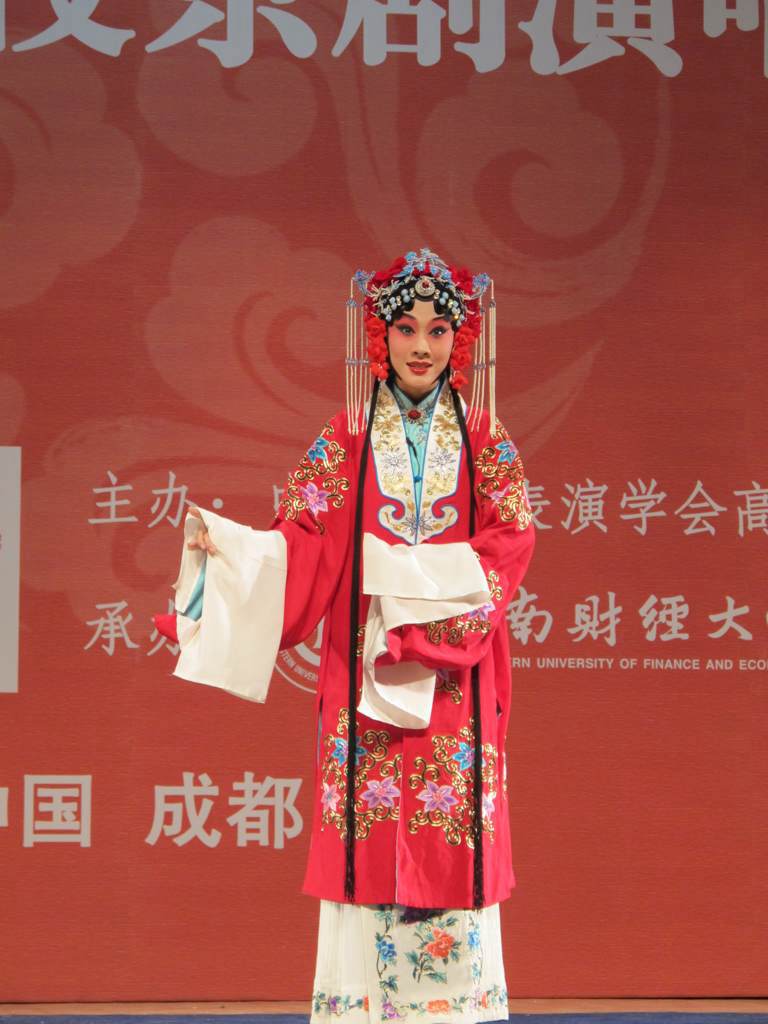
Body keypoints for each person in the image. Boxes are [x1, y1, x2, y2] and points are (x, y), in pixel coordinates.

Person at [154, 248, 535, 1024]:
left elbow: (512, 542)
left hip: (455, 686)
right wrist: (229, 556)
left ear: (459, 339)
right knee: (369, 835)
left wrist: (416, 603)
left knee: (449, 832)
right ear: (380, 336)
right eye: (406, 328)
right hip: (362, 675)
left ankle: (455, 1011)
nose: (421, 346)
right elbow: (300, 543)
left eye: (437, 329)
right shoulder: (346, 436)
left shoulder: (487, 440)